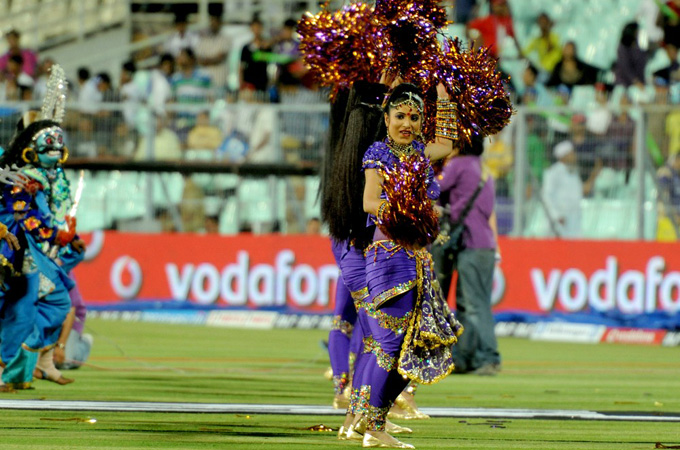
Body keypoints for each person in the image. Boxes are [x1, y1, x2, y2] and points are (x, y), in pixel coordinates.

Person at [361, 83, 462, 448]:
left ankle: (371, 418)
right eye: (400, 116)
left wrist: (445, 101)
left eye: (415, 117)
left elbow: (446, 145)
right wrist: (404, 212)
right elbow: (369, 202)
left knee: (420, 344)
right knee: (391, 344)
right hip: (389, 255)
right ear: (386, 118)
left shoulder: (419, 151)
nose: (407, 123)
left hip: (417, 258)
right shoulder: (378, 152)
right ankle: (372, 425)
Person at [438, 136, 501, 376]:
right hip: (483, 244)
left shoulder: (459, 165)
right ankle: (465, 357)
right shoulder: (483, 169)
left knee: (473, 306)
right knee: (470, 304)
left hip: (470, 243)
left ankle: (488, 357)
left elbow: (434, 188)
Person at [541, 141, 584, 238]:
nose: (574, 156)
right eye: (571, 153)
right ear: (563, 156)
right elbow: (546, 195)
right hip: (560, 219)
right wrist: (556, 215)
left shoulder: (574, 171)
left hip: (574, 218)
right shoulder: (553, 172)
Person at [195, 8, 230, 93]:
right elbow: (199, 59)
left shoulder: (225, 39)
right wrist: (213, 59)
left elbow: (220, 58)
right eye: (212, 22)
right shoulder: (203, 39)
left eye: (215, 22)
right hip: (204, 81)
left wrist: (206, 60)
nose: (213, 24)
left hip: (220, 81)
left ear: (220, 23)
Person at [240, 16, 271, 96]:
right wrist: (241, 84)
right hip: (249, 83)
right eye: (254, 27)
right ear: (251, 28)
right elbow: (241, 67)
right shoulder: (246, 48)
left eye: (258, 27)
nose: (256, 30)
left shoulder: (267, 47)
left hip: (263, 83)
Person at [614, 22, 650, 88]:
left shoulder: (638, 45)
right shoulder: (623, 47)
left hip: (639, 82)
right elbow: (625, 67)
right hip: (624, 83)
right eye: (636, 31)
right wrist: (636, 81)